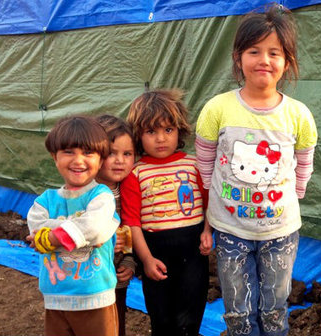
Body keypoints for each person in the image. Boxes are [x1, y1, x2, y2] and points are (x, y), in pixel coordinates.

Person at [194, 4, 318, 336]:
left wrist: (297, 192)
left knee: (275, 308)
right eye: (254, 50)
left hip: (280, 231)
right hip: (230, 230)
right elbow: (205, 160)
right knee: (237, 311)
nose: (264, 59)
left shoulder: (298, 114)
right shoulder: (217, 108)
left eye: (274, 53)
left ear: (287, 62)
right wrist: (211, 195)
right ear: (238, 58)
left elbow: (304, 161)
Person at [121, 89, 212, 336]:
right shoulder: (135, 173)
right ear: (138, 135)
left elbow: (209, 204)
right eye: (151, 131)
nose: (161, 138)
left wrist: (207, 231)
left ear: (179, 131)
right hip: (155, 252)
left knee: (190, 317)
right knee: (161, 318)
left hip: (193, 252)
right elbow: (132, 222)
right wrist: (147, 260)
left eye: (168, 130)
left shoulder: (194, 165)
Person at [26, 115, 119, 336]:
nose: (78, 161)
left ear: (101, 159)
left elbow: (94, 228)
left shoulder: (102, 196)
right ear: (54, 156)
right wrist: (80, 232)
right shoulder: (45, 200)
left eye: (88, 153)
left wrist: (52, 237)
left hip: (95, 297)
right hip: (56, 299)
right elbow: (36, 229)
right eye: (69, 152)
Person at [95, 114, 137, 336]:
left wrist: (129, 261)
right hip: (89, 280)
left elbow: (127, 231)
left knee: (116, 326)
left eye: (127, 154)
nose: (120, 160)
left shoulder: (126, 191)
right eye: (111, 153)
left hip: (116, 278)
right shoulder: (84, 193)